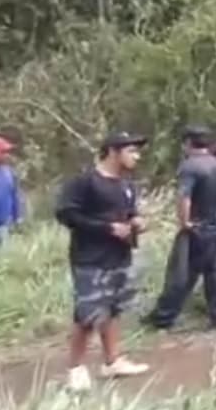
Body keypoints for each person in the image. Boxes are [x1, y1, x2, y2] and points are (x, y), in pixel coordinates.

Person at [55, 131, 152, 392]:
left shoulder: (127, 185)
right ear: (112, 151)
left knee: (113, 309)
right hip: (90, 257)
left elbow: (130, 213)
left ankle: (112, 361)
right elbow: (66, 214)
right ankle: (75, 368)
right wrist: (106, 228)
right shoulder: (85, 182)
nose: (136, 156)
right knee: (87, 314)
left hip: (119, 256)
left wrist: (136, 222)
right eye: (131, 151)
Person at [144, 127, 216, 333]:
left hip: (197, 228)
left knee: (180, 274)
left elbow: (184, 196)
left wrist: (184, 223)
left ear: (187, 143)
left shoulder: (189, 167)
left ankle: (162, 319)